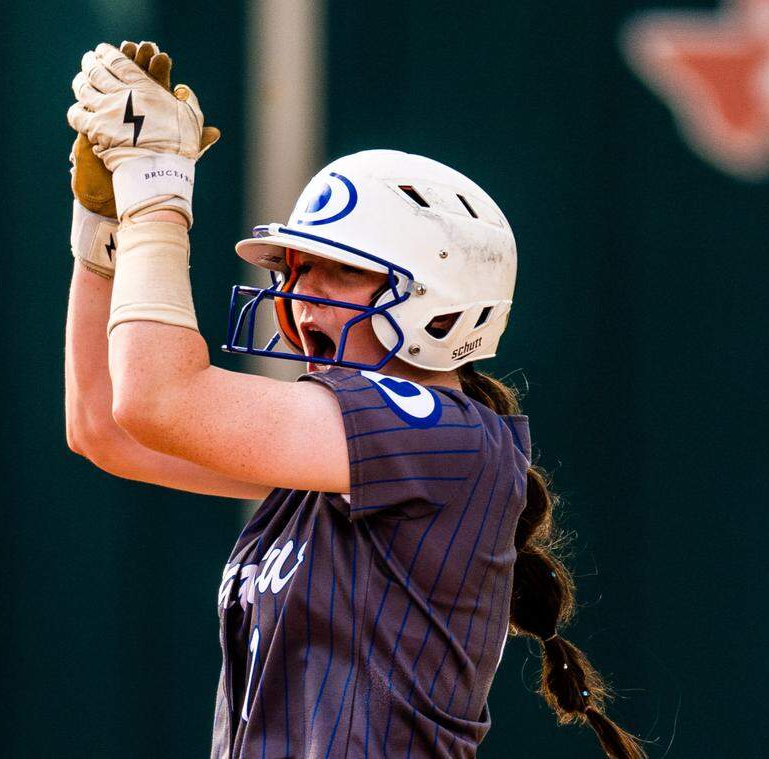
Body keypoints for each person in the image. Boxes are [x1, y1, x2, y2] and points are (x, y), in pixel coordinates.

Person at [64, 40, 645, 759]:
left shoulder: (449, 437)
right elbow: (104, 425)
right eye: (297, 270)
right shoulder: (334, 459)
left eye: (336, 273)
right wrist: (102, 232)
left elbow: (158, 397)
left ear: (439, 300)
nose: (298, 297)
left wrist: (155, 187)